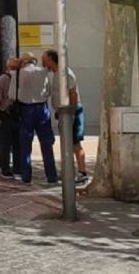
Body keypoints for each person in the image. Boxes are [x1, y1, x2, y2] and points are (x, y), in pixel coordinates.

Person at [9, 52, 58, 184]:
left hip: (26, 110)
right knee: (46, 144)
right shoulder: (43, 72)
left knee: (25, 145)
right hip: (42, 109)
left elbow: (12, 95)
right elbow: (47, 91)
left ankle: (26, 176)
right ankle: (51, 175)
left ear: (23, 62)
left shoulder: (17, 74)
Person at [42, 49, 88, 184]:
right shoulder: (56, 74)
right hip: (63, 113)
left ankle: (82, 173)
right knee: (67, 143)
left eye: (45, 60)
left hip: (71, 112)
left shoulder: (66, 74)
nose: (43, 64)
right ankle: (69, 172)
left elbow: (73, 94)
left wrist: (71, 114)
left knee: (75, 143)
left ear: (51, 59)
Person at [0, 57, 22, 179]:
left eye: (17, 68)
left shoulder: (20, 79)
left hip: (17, 114)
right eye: (13, 68)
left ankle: (17, 168)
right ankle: (5, 168)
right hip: (5, 113)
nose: (15, 70)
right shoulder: (2, 80)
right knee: (5, 144)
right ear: (8, 67)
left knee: (18, 143)